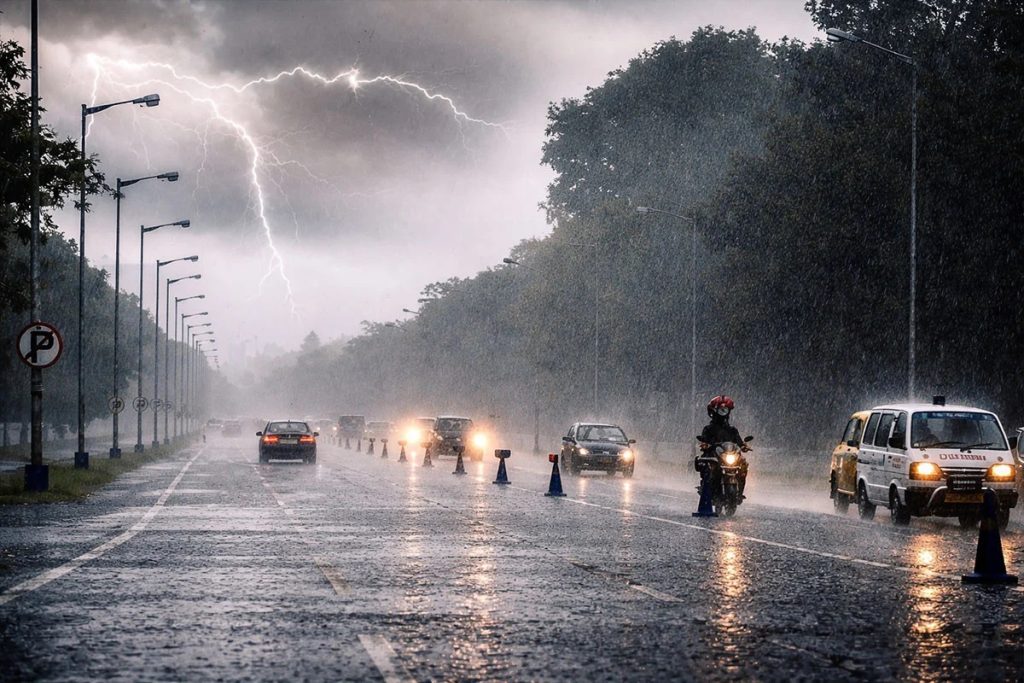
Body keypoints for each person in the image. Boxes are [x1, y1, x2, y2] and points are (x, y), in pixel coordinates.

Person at [696, 395, 749, 497]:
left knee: (743, 465)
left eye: (726, 409)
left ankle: (740, 491)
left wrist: (743, 446)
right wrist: (705, 445)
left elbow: (739, 442)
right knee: (708, 466)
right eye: (721, 409)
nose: (723, 412)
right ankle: (708, 489)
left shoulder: (732, 430)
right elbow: (704, 440)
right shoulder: (709, 429)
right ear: (714, 411)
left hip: (729, 458)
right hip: (716, 457)